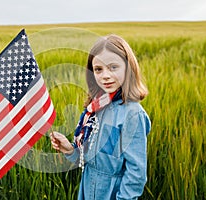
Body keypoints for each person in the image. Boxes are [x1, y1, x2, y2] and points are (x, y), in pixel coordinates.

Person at [50, 34, 151, 200]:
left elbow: (136, 173)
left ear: (128, 67)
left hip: (111, 193)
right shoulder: (96, 107)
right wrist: (70, 149)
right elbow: (89, 159)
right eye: (98, 69)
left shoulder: (132, 114)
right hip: (88, 187)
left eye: (113, 67)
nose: (105, 75)